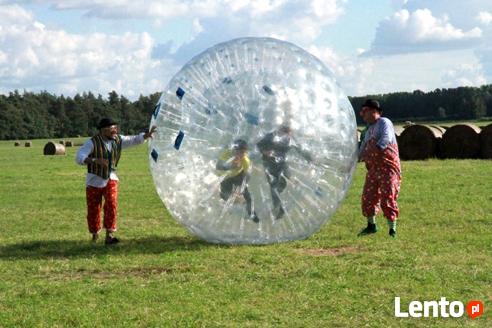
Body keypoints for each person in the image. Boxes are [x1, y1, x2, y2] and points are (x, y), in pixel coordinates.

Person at [76, 118, 157, 244]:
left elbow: (134, 140)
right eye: (112, 128)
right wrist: (94, 160)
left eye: (115, 128)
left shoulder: (118, 139)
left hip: (111, 178)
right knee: (93, 209)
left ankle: (110, 235)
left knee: (112, 205)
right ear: (103, 130)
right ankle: (95, 235)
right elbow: (79, 157)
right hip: (94, 181)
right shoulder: (92, 143)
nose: (115, 131)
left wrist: (146, 135)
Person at [358, 99, 401, 238]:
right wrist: (357, 158)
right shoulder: (369, 130)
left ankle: (392, 230)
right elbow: (363, 147)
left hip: (388, 168)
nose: (362, 115)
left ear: (374, 111)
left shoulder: (384, 122)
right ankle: (371, 226)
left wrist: (375, 150)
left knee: (387, 197)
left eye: (364, 111)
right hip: (373, 169)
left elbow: (386, 138)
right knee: (368, 197)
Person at [257, 124, 312, 220]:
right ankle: (279, 209)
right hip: (270, 165)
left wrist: (310, 159)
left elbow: (300, 149)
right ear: (280, 129)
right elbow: (259, 144)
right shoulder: (271, 136)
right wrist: (265, 152)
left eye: (288, 131)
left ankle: (278, 204)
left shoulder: (290, 139)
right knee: (274, 187)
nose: (287, 133)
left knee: (281, 184)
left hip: (282, 164)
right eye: (285, 130)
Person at [216, 139, 259, 223]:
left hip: (239, 176)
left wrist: (241, 188)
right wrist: (230, 166)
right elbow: (218, 166)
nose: (239, 155)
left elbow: (247, 175)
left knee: (248, 196)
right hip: (226, 177)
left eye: (243, 153)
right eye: (238, 152)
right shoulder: (226, 154)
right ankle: (236, 203)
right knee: (224, 196)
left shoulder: (245, 160)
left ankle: (252, 213)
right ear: (233, 150)